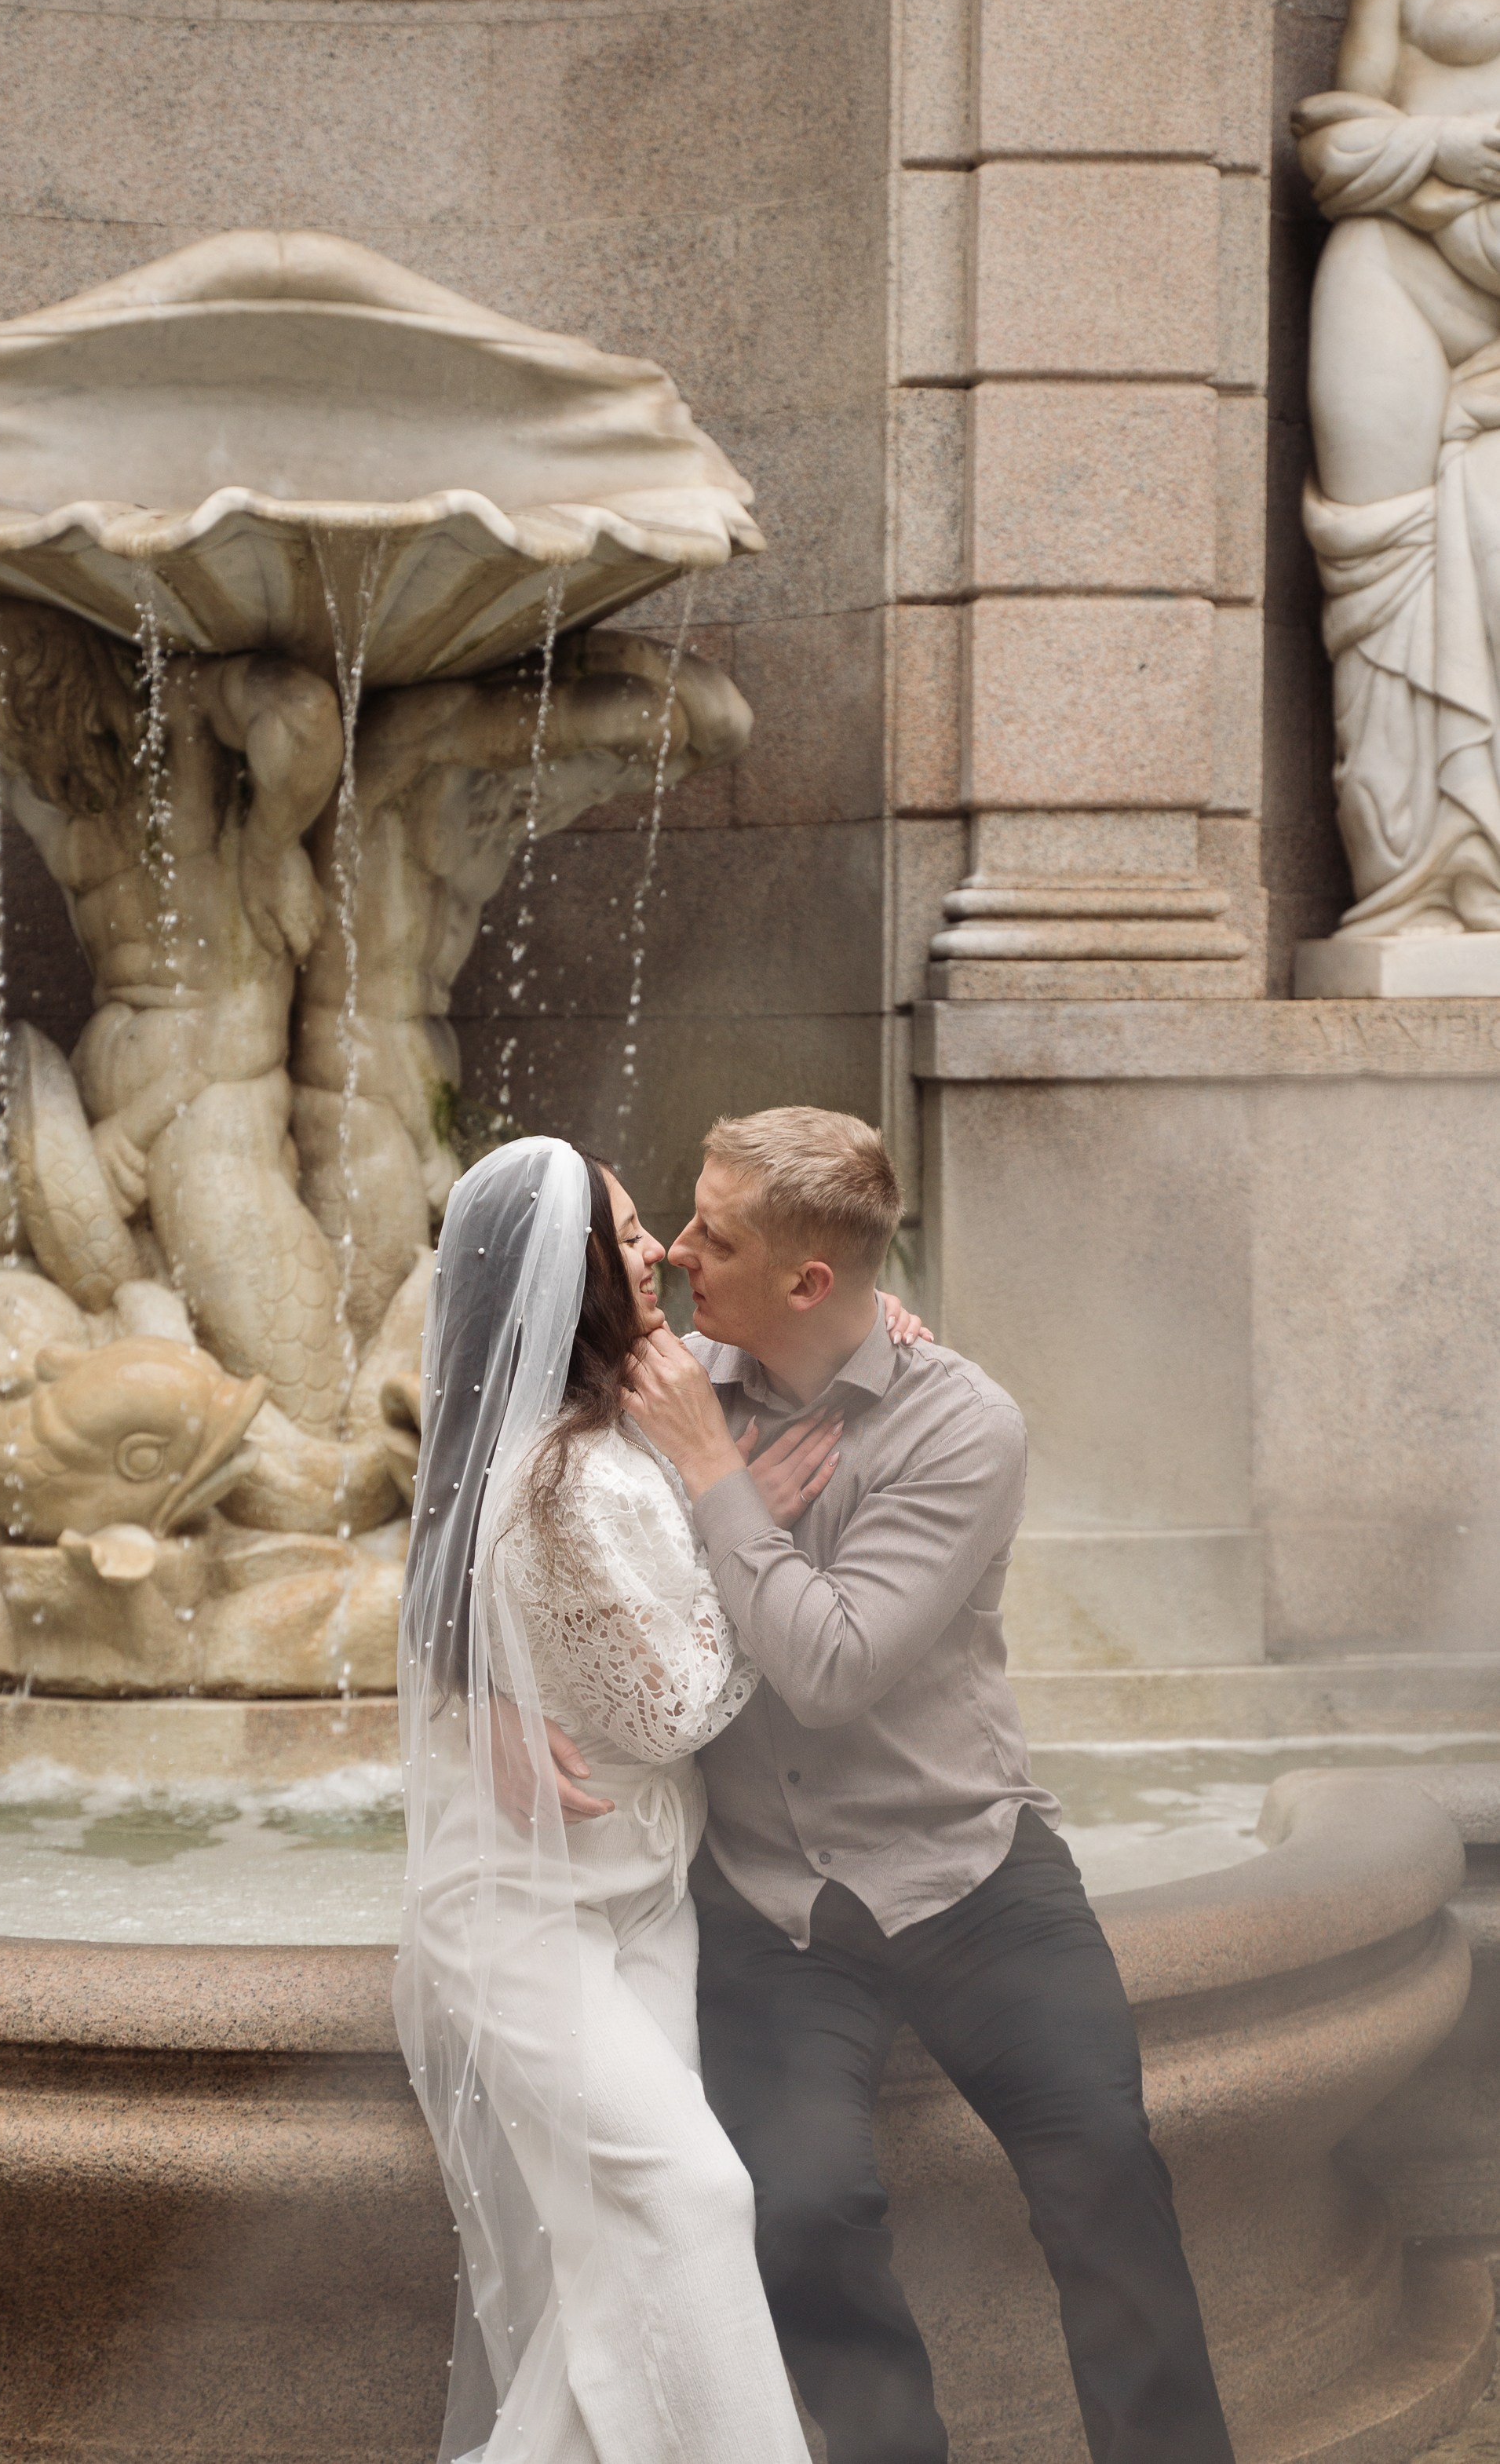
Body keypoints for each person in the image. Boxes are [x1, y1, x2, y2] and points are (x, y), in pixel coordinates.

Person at [617, 1106, 1235, 2464]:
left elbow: (834, 1668)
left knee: (1107, 2177)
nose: (674, 1249)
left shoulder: (964, 1425)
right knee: (801, 2210)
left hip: (973, 1877)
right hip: (773, 1914)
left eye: (713, 1235)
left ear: (811, 1282)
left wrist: (715, 1482)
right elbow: (529, 1548)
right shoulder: (662, 1389)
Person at [394, 1133, 925, 2462]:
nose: (653, 1249)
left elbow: (615, 1612)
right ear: (563, 1280)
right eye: (624, 1231)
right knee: (692, 2194)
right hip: (529, 1919)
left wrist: (875, 1321)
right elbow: (671, 1706)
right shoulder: (562, 1477)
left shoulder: (625, 1417)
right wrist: (735, 1514)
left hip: (648, 1897)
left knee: (617, 2253)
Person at [0, 597, 350, 1428]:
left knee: (296, 1395)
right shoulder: (53, 790)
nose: (14, 755)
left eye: (19, 727)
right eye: (1, 736)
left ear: (72, 698)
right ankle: (94, 1338)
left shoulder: (194, 725)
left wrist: (277, 844)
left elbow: (306, 707)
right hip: (73, 1133)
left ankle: (145, 1390)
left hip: (207, 1130)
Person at [291, 634, 749, 1350]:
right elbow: (633, 726)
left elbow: (725, 725)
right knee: (387, 1318)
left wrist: (614, 647)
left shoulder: (478, 808)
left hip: (414, 1077)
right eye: (585, 772)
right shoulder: (400, 767)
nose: (588, 790)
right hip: (353, 1090)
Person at [1294, 0, 1500, 932]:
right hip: (1398, 270)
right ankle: (1419, 874)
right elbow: (1335, 143)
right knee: (1379, 552)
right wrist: (1449, 158)